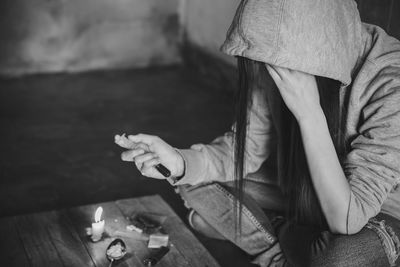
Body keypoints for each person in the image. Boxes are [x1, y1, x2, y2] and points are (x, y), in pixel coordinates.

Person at [115, 0, 400, 266]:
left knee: (341, 258)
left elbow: (347, 222)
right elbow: (244, 150)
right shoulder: (274, 55)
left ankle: (270, 237)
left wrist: (309, 112)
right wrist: (177, 160)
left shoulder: (391, 82)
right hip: (302, 187)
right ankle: (285, 253)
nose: (271, 75)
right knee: (190, 179)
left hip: (376, 215)